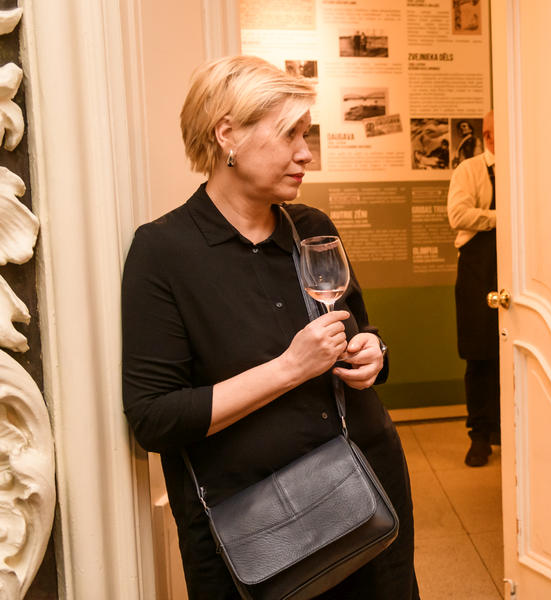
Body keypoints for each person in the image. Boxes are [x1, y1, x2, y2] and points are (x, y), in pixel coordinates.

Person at [121, 55, 419, 600]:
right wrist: (290, 368)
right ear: (227, 135)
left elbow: (358, 330)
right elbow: (155, 419)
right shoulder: (162, 252)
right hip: (257, 528)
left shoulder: (312, 229)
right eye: (290, 134)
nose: (306, 153)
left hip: (367, 497)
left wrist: (373, 352)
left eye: (307, 134)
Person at [447, 110, 499, 466]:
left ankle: (508, 430)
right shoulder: (469, 170)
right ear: (487, 136)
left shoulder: (522, 170)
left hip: (511, 271)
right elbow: (458, 216)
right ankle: (479, 435)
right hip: (478, 271)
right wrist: (502, 217)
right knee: (479, 355)